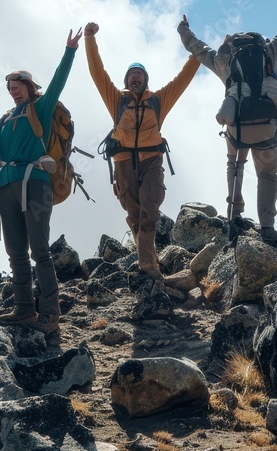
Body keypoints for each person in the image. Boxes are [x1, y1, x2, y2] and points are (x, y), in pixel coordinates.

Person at [0, 29, 80, 341]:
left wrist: (69, 50)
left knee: (40, 249)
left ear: (29, 87)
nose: (13, 92)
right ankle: (23, 307)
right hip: (4, 186)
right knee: (15, 250)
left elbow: (58, 81)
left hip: (35, 182)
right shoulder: (5, 118)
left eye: (17, 87)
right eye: (10, 89)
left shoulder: (40, 108)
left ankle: (50, 313)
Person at [177, 0, 277, 243]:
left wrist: (183, 29)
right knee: (267, 173)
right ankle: (267, 226)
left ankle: (234, 216)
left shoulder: (225, 60)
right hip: (267, 125)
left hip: (237, 127)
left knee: (235, 164)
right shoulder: (268, 52)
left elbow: (196, 48)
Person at [84, 21, 200, 281]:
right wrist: (89, 39)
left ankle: (148, 268)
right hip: (123, 162)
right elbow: (97, 73)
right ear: (127, 81)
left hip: (151, 161)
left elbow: (182, 80)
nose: (135, 77)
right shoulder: (117, 100)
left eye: (139, 74)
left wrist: (197, 53)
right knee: (135, 216)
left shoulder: (158, 101)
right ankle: (148, 260)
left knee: (149, 213)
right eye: (131, 75)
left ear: (145, 80)